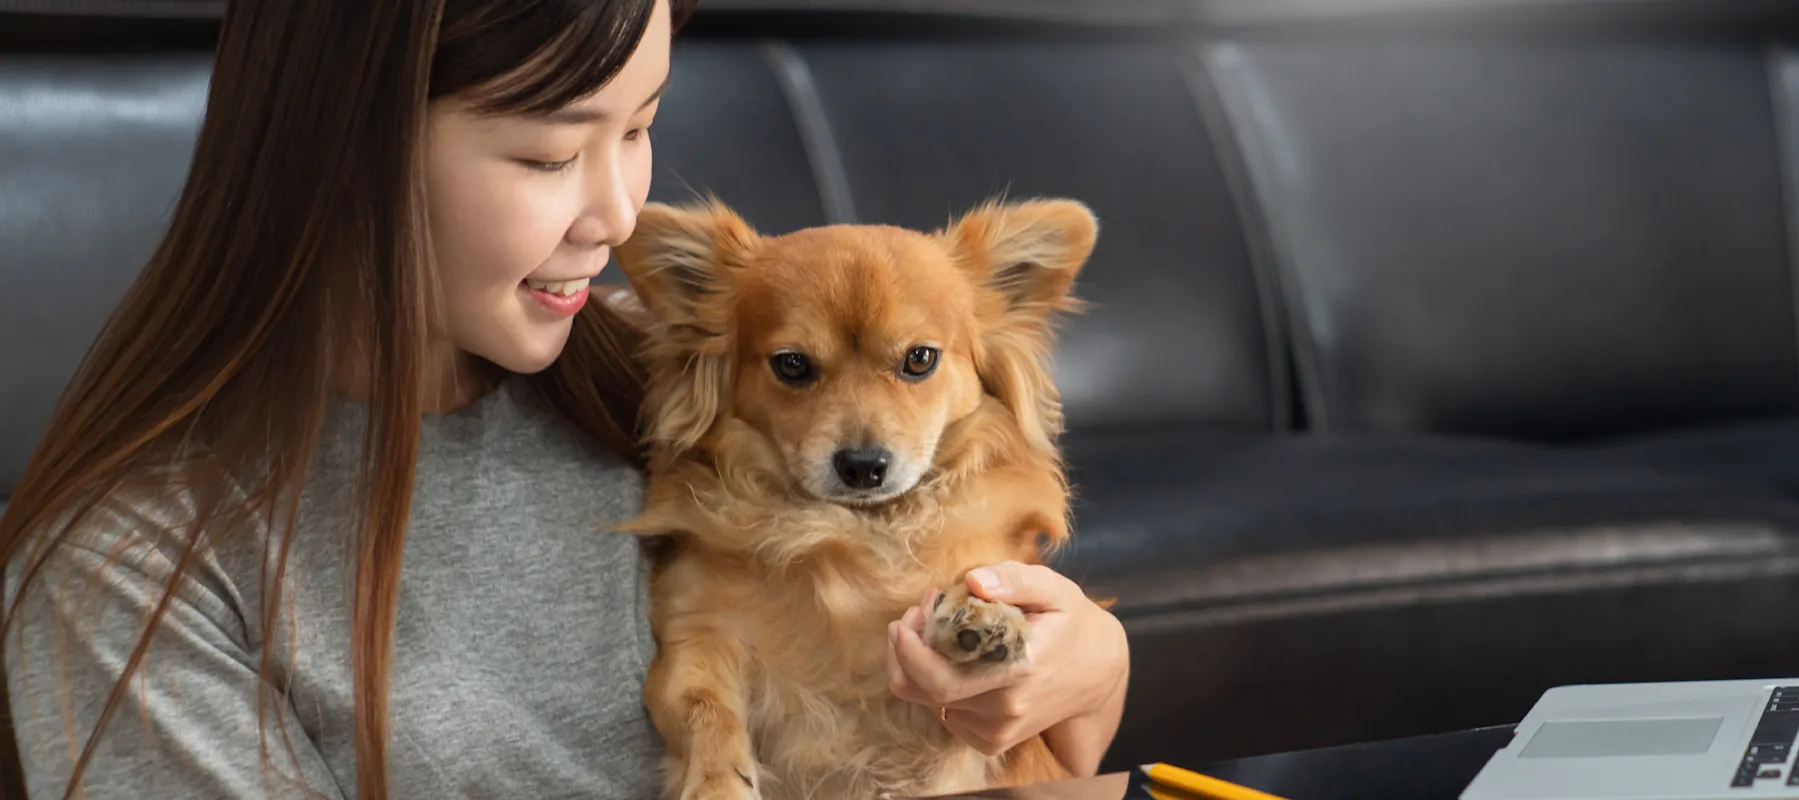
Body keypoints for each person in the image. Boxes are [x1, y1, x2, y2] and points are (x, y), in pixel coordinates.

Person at [0, 0, 1129, 797]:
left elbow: (991, 743)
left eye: (638, 129)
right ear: (340, 151)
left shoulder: (692, 390)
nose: (618, 214)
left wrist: (1084, 673)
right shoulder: (134, 570)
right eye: (547, 155)